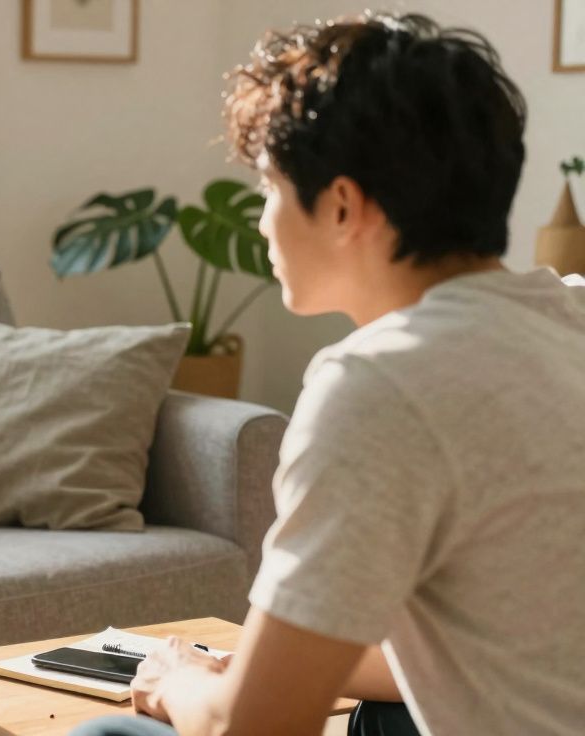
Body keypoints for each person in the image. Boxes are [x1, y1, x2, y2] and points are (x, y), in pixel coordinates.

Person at [74, 11, 585, 736]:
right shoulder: (569, 316)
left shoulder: (382, 382)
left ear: (343, 205)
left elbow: (250, 730)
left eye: (269, 190)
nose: (260, 223)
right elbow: (506, 636)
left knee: (110, 734)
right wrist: (260, 664)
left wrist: (179, 683)